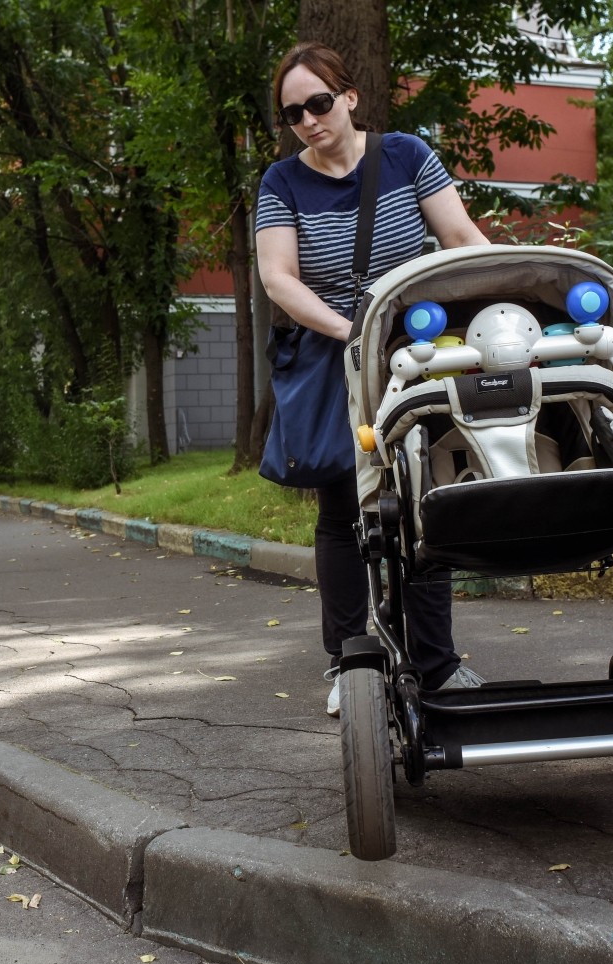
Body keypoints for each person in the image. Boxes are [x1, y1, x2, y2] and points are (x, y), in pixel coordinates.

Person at [256, 41, 491, 717]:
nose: (307, 120)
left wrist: (503, 301)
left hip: (415, 352)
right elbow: (278, 278)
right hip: (339, 355)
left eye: (319, 104)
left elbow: (458, 237)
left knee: (427, 500)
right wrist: (347, 331)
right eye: (293, 112)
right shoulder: (281, 184)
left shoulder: (406, 155)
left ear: (349, 98)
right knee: (340, 511)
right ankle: (349, 661)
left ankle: (436, 664)